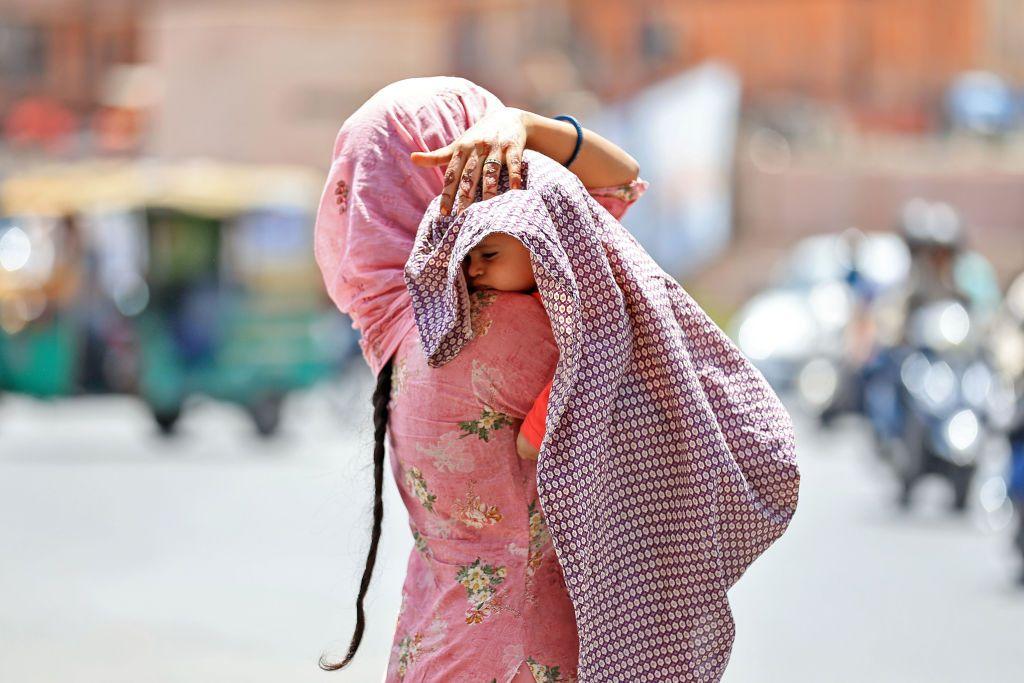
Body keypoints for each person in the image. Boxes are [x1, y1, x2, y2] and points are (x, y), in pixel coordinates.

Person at [314, 76, 649, 681]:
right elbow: (620, 181)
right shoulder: (518, 319)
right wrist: (528, 127)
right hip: (532, 651)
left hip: (436, 642)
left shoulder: (392, 322)